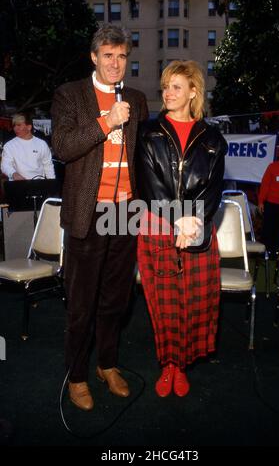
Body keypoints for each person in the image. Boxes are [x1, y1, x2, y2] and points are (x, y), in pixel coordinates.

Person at [51, 24, 148, 411]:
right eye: (108, 55)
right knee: (81, 302)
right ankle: (77, 376)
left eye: (122, 56)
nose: (115, 63)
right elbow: (61, 147)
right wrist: (106, 121)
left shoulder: (137, 99)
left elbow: (140, 156)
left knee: (116, 300)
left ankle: (107, 364)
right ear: (94, 57)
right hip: (87, 213)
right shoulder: (70, 94)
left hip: (124, 212)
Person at [136, 60, 227, 397]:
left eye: (176, 86)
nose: (168, 92)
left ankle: (183, 364)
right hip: (159, 225)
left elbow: (214, 188)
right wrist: (179, 218)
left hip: (198, 227)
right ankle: (168, 366)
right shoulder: (148, 131)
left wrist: (194, 221)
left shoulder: (214, 138)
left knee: (196, 300)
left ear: (193, 92)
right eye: (165, 86)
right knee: (163, 301)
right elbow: (150, 183)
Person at [1, 113, 55, 180]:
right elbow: (5, 165)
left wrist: (52, 185)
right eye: (14, 125)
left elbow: (48, 166)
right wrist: (13, 174)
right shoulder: (9, 145)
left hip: (39, 185)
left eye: (19, 125)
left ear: (29, 127)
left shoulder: (42, 144)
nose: (15, 128)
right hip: (18, 186)